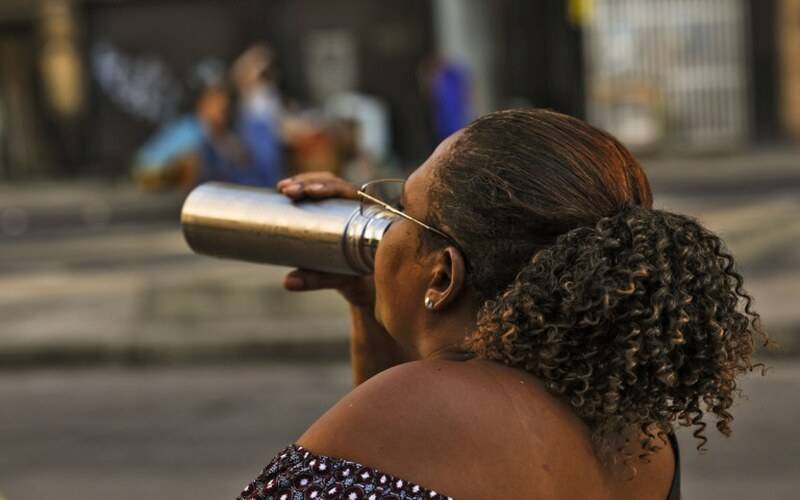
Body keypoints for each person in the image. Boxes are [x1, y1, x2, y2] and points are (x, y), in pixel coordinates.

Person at [236, 109, 767, 499]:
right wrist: (366, 303)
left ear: (443, 275)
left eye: (401, 209)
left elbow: (406, 429)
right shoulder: (640, 434)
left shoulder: (414, 411)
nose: (383, 225)